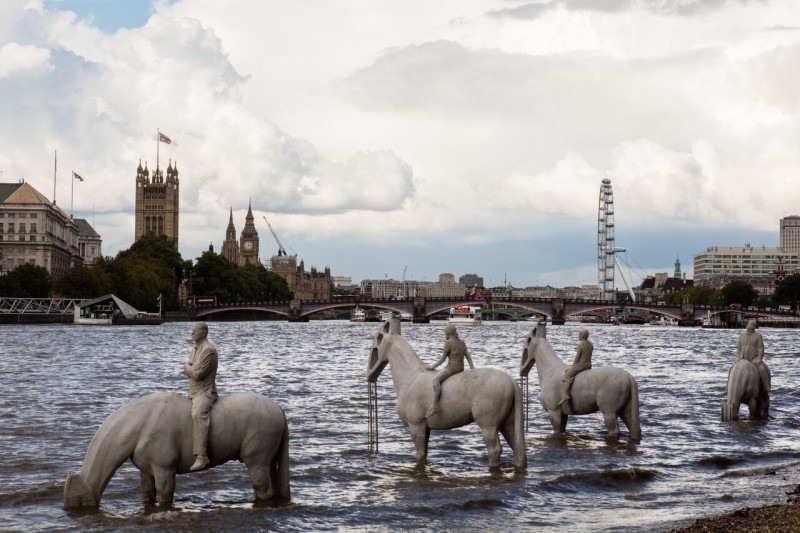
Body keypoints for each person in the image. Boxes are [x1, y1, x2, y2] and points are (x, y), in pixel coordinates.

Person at [184, 322, 219, 471]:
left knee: (198, 414)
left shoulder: (208, 350)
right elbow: (192, 368)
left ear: (204, 333)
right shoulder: (196, 348)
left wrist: (187, 368)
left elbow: (197, 374)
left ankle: (202, 456)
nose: (192, 332)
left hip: (205, 392)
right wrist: (190, 368)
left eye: (195, 330)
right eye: (192, 329)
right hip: (193, 392)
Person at [425, 323, 475, 418]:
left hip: (452, 368)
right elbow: (468, 356)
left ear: (448, 333)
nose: (445, 335)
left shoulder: (448, 343)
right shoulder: (462, 342)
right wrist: (472, 368)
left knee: (435, 380)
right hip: (461, 367)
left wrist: (432, 366)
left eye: (445, 333)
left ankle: (435, 405)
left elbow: (442, 359)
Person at [558, 329, 593, 407]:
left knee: (567, 375)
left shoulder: (581, 345)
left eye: (579, 334)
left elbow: (577, 358)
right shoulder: (590, 344)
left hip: (581, 365)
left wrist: (573, 366)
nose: (578, 335)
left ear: (582, 335)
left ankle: (565, 395)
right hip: (588, 365)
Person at [736, 319, 771, 396]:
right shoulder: (742, 335)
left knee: (762, 369)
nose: (749, 325)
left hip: (753, 359)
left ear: (754, 327)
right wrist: (737, 357)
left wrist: (759, 358)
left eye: (752, 324)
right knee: (732, 369)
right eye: (749, 323)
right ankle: (728, 389)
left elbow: (760, 348)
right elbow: (738, 348)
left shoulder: (758, 336)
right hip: (742, 359)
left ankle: (767, 389)